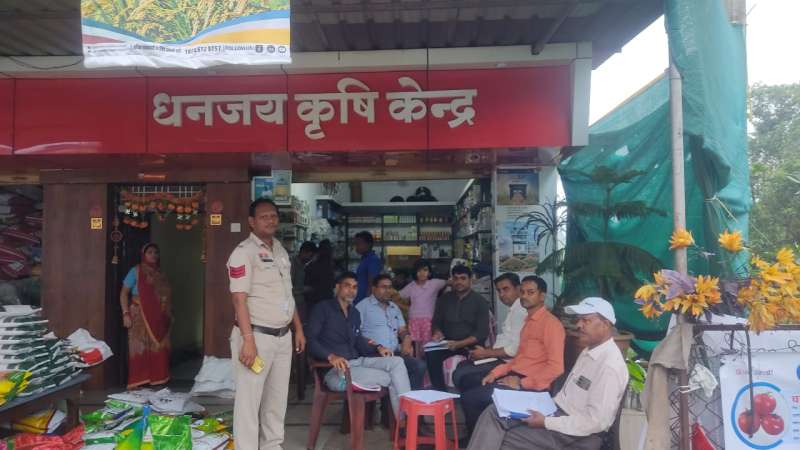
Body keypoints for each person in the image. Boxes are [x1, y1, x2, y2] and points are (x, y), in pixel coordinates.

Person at [467, 297, 628, 450]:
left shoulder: (609, 367)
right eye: (579, 320)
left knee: (503, 439)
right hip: (555, 410)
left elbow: (595, 422)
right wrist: (542, 407)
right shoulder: (589, 351)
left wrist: (546, 422)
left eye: (586, 320)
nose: (579, 325)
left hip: (577, 434)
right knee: (494, 411)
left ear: (605, 324)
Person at [226, 198, 307, 450]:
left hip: (282, 337)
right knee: (249, 402)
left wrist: (298, 328)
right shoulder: (243, 252)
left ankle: (272, 446)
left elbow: (287, 294)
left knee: (276, 400)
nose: (270, 220)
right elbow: (238, 299)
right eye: (264, 217)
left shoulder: (280, 250)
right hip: (256, 337)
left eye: (273, 216)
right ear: (251, 222)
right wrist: (248, 340)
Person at [460, 276, 565, 437]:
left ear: (542, 296)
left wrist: (521, 382)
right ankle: (486, 436)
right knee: (469, 381)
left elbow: (556, 368)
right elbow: (518, 359)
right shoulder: (529, 322)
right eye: (522, 292)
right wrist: (495, 373)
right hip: (516, 375)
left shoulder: (551, 325)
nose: (524, 296)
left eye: (530, 292)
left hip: (531, 386)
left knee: (470, 399)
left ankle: (478, 441)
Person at [308, 272, 411, 417]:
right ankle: (403, 420)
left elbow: (357, 340)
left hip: (356, 362)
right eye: (347, 286)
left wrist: (378, 347)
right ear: (337, 287)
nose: (351, 290)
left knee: (397, 362)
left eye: (355, 287)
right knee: (392, 378)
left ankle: (405, 419)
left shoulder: (354, 313)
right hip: (336, 371)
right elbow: (310, 340)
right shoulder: (323, 309)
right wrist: (331, 356)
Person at [452, 272, 526, 392]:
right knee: (462, 367)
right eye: (499, 291)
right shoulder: (514, 309)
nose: (501, 295)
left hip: (509, 362)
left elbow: (513, 350)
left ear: (518, 289)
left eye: (506, 289)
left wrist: (486, 353)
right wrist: (486, 351)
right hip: (501, 357)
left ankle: (474, 400)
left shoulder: (520, 311)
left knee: (463, 375)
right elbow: (506, 341)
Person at [356, 274, 427, 389]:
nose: (388, 291)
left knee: (419, 366)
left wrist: (406, 339)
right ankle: (398, 398)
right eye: (383, 287)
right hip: (373, 355)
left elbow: (402, 330)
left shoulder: (394, 307)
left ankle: (410, 399)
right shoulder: (363, 306)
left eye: (389, 287)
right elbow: (356, 334)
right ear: (374, 289)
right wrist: (376, 346)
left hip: (394, 354)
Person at [426, 265, 489, 391]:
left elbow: (481, 332)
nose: (459, 282)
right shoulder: (444, 299)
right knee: (431, 353)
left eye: (463, 278)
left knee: (474, 364)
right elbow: (436, 322)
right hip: (448, 343)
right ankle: (440, 392)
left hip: (471, 344)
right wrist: (437, 332)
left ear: (470, 280)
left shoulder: (480, 301)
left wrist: (459, 344)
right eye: (455, 278)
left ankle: (469, 394)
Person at [120, 243, 171, 388]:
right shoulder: (135, 271)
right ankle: (140, 379)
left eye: (156, 252)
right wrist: (125, 313)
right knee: (139, 346)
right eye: (150, 252)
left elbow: (166, 297)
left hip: (159, 317)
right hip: (139, 313)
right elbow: (123, 293)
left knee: (157, 346)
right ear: (143, 255)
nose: (153, 255)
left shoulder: (160, 274)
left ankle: (158, 378)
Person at [398, 259, 447, 348]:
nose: (422, 273)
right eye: (419, 270)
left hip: (429, 321)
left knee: (428, 345)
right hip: (413, 320)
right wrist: (406, 308)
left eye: (425, 270)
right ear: (415, 272)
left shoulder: (435, 283)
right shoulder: (411, 286)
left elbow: (450, 282)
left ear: (429, 272)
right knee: (415, 346)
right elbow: (397, 296)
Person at [304, 239, 335, 312]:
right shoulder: (330, 265)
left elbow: (307, 282)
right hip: (327, 299)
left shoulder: (313, 266)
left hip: (314, 300)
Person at [354, 231, 382, 304]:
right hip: (359, 299)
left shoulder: (373, 260)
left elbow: (372, 284)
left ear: (368, 244)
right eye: (356, 244)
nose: (356, 247)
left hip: (364, 301)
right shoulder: (364, 259)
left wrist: (367, 303)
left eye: (359, 244)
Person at [291, 241, 316, 320]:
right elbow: (288, 288)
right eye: (310, 256)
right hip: (294, 304)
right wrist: (304, 289)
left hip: (301, 303)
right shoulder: (292, 264)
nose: (310, 259)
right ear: (304, 252)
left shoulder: (303, 265)